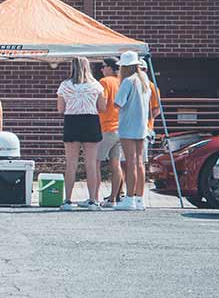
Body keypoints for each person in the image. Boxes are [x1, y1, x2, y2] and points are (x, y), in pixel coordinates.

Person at [57, 57, 107, 210]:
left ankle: (67, 201)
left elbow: (60, 109)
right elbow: (103, 108)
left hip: (72, 121)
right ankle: (93, 200)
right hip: (91, 121)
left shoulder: (65, 85)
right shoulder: (96, 85)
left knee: (71, 163)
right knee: (91, 164)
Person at [113, 51, 150, 211]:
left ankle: (129, 198)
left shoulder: (128, 81)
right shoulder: (144, 80)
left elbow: (117, 103)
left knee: (130, 162)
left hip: (128, 125)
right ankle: (140, 198)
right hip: (142, 126)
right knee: (140, 162)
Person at [96, 58, 124, 205]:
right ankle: (114, 198)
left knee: (94, 162)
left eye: (103, 66)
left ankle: (93, 197)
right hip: (120, 128)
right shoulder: (123, 82)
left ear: (110, 68)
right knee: (116, 164)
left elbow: (103, 103)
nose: (101, 69)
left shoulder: (104, 82)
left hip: (106, 127)